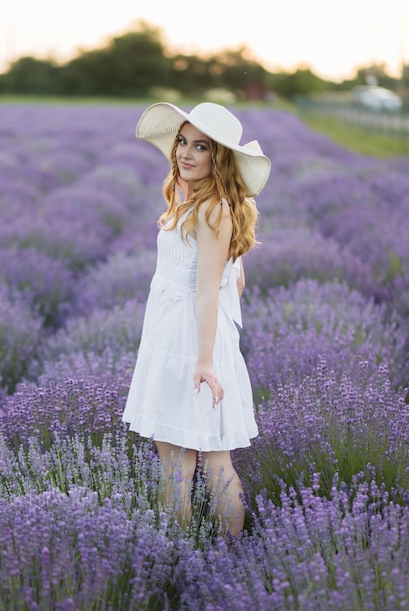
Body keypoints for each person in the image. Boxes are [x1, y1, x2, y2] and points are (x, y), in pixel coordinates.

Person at [122, 102, 271, 540]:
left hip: (187, 344)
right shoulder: (205, 204)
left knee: (180, 464)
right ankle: (227, 562)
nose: (185, 153)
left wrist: (203, 360)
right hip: (190, 338)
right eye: (182, 142)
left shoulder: (211, 210)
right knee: (209, 459)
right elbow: (234, 283)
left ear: (218, 157)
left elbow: (209, 290)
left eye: (200, 146)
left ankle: (185, 566)